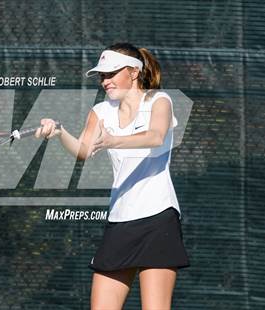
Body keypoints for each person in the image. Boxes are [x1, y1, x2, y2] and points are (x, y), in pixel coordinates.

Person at [36, 42, 189, 310]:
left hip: (159, 217)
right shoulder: (101, 111)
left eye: (111, 73)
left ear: (133, 72)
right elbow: (84, 150)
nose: (105, 81)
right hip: (119, 221)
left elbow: (156, 136)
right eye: (102, 75)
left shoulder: (159, 100)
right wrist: (59, 132)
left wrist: (112, 140)